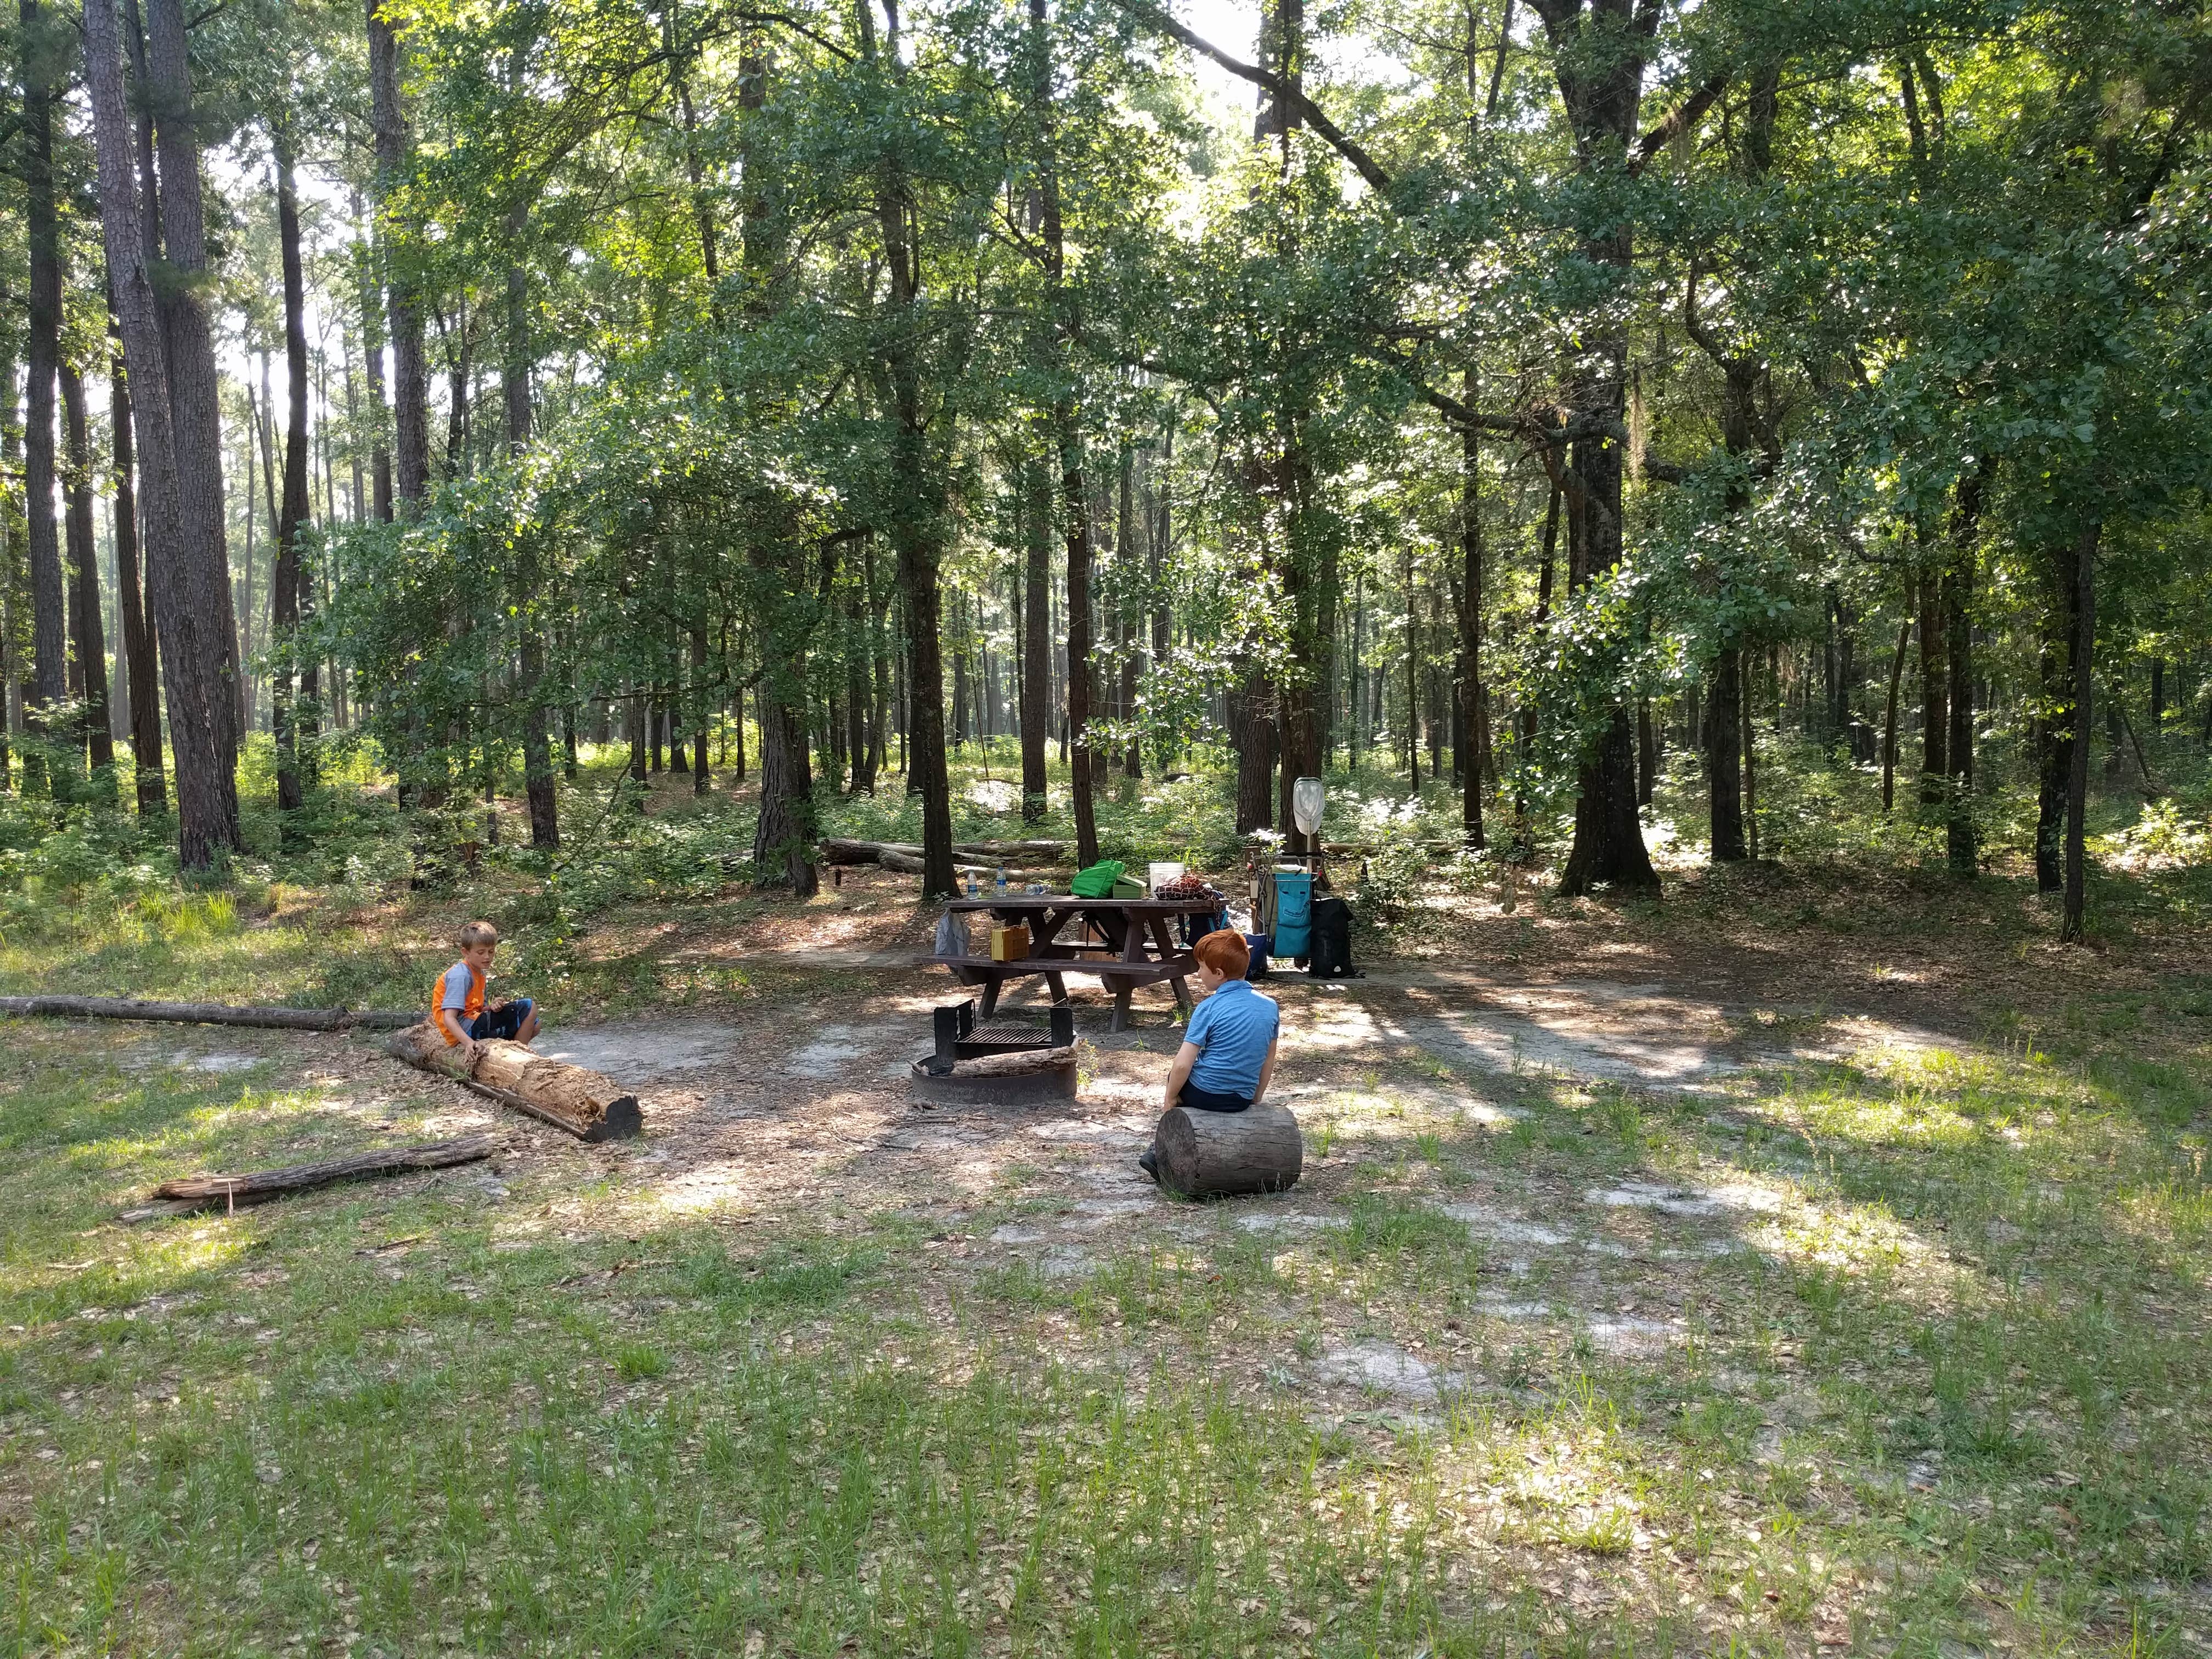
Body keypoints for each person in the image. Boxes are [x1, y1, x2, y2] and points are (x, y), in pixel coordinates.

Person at [1139, 929, 1279, 1182]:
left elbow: (1183, 1063)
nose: (1198, 973)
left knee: (1175, 1078)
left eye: (1201, 967)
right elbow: (1269, 1058)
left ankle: (1157, 1153)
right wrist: (1256, 1095)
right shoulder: (1269, 1007)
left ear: (1219, 974)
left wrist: (1170, 1097)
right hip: (1241, 1097)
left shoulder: (1209, 1008)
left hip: (1206, 1093)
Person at [432, 920, 540, 1055]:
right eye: (481, 952)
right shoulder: (461, 976)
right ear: (465, 952)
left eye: (491, 951)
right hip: (464, 1029)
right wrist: (469, 1043)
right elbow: (449, 1018)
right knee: (529, 1006)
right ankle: (519, 1056)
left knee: (535, 1024)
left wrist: (492, 1007)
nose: (487, 957)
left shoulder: (479, 972)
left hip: (472, 1022)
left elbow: (477, 1009)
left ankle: (510, 1053)